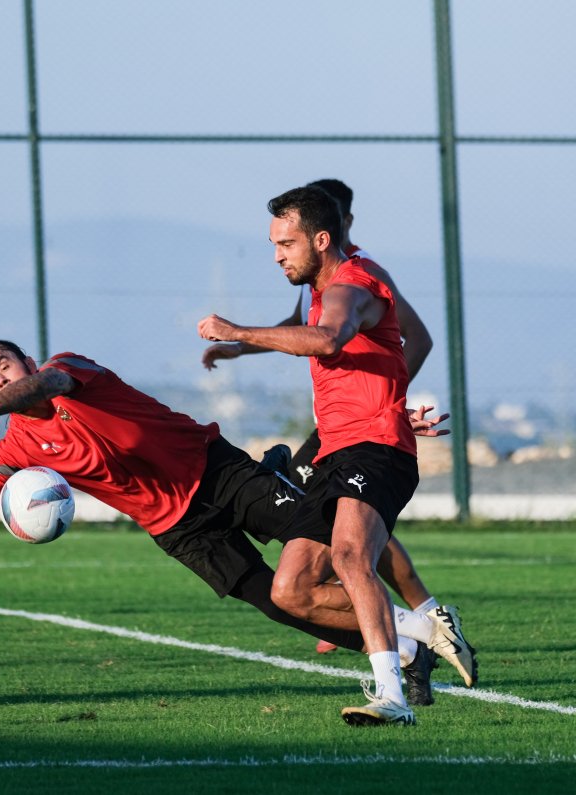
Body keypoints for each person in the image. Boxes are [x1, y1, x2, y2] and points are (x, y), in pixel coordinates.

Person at [0, 341, 453, 712]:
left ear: (26, 359)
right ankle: (408, 648)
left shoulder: (67, 368)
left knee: (333, 547)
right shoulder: (17, 449)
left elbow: (52, 382)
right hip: (177, 529)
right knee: (283, 605)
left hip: (218, 473)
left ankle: (423, 613)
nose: (1, 381)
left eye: (4, 368)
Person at [197, 185, 477, 726]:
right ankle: (420, 631)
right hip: (337, 451)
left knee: (352, 556)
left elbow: (328, 340)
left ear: (322, 239)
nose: (278, 254)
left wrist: (234, 330)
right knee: (291, 590)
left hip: (374, 452)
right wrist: (390, 399)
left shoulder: (353, 283)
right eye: (274, 243)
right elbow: (379, 342)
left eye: (287, 242)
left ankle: (392, 697)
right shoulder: (322, 289)